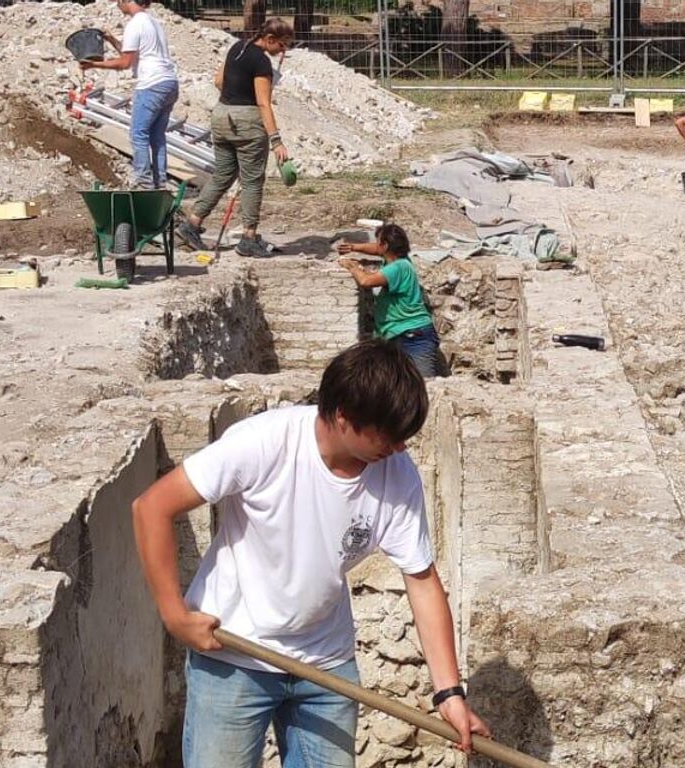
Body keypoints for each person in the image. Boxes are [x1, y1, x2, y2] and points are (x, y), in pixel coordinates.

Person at [132, 339, 490, 766]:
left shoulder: (397, 474)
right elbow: (151, 507)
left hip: (325, 667)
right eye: (388, 437)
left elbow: (422, 580)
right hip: (232, 657)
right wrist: (174, 616)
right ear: (343, 416)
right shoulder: (264, 443)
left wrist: (448, 693)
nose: (398, 449)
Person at [175, 18, 295, 258]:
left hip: (221, 116)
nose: (283, 51)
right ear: (269, 39)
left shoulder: (237, 47)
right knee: (251, 181)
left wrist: (236, 93)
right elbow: (263, 102)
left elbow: (218, 81)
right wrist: (276, 140)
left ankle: (192, 224)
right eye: (281, 45)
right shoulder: (261, 61)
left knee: (223, 174)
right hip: (247, 123)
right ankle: (249, 237)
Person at [81, 0, 182, 190]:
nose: (118, 4)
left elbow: (125, 63)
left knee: (138, 134)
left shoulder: (135, 24)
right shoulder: (154, 23)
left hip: (151, 84)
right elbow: (133, 54)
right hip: (169, 82)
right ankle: (160, 182)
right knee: (157, 135)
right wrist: (111, 39)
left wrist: (94, 64)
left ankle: (143, 182)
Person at [336, 225, 445, 378]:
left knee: (423, 383)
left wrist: (352, 267)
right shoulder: (397, 259)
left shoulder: (398, 267)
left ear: (386, 246)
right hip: (399, 333)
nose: (376, 246)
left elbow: (366, 281)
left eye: (379, 242)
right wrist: (354, 247)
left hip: (413, 337)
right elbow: (375, 249)